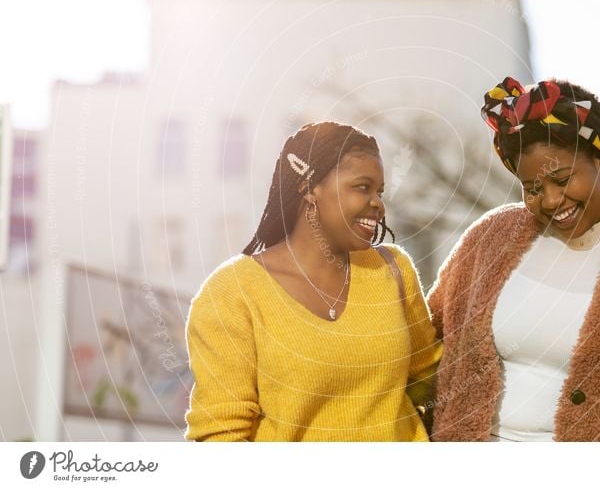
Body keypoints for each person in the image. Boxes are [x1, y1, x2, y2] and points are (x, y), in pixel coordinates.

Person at [428, 77, 600, 441]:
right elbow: (423, 342)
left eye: (562, 179)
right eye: (532, 188)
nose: (549, 200)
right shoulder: (489, 238)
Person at [184, 121, 441, 441]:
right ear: (308, 188)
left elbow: (431, 381)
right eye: (363, 187)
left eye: (380, 191)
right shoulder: (232, 293)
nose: (377, 203)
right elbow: (221, 436)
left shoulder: (392, 269)